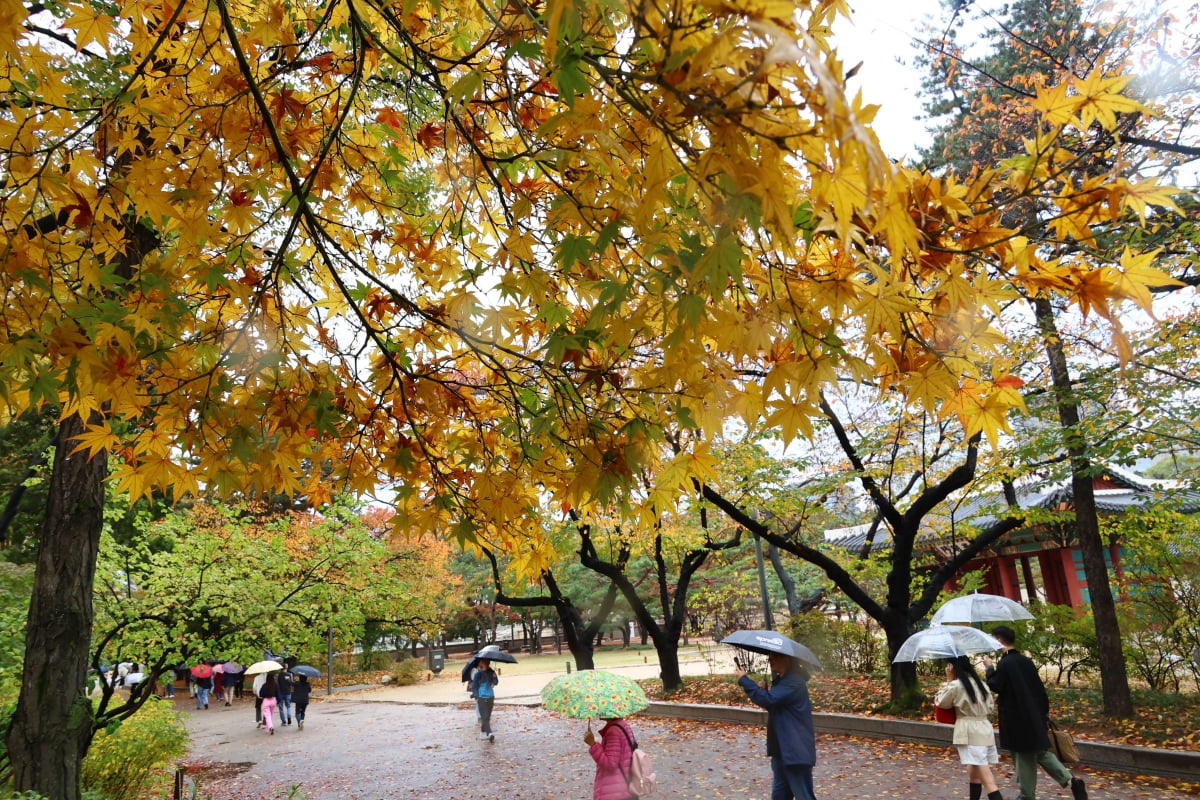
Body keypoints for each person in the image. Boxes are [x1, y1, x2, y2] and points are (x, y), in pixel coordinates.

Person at [985, 625, 1087, 800]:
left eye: (993, 639)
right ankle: (1071, 781)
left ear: (999, 640)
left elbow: (996, 685)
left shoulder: (1005, 663)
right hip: (1034, 715)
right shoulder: (1026, 661)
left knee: (1022, 757)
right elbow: (1039, 689)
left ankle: (1026, 795)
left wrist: (989, 668)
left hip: (1016, 719)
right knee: (1040, 753)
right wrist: (1042, 713)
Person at [736, 652, 817, 800]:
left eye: (774, 657)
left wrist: (744, 680)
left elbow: (770, 700)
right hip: (781, 751)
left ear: (786, 659)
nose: (770, 660)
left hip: (794, 751)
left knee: (804, 795)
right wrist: (765, 693)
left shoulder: (794, 681)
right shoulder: (782, 681)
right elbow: (776, 706)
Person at [936, 655, 1004, 800]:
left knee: (988, 779)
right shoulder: (981, 684)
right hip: (984, 728)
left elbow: (941, 702)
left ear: (952, 668)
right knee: (975, 772)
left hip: (969, 730)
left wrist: (948, 681)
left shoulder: (956, 685)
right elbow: (991, 707)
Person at [585, 717, 637, 800]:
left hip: (614, 792)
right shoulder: (623, 725)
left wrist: (593, 744)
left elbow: (610, 764)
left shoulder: (613, 731)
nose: (599, 711)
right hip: (624, 787)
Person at [468, 657, 498, 742]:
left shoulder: (491, 672)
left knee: (487, 717)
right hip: (481, 697)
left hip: (490, 696)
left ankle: (482, 733)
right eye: (485, 662)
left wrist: (494, 679)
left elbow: (496, 682)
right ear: (481, 664)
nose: (487, 664)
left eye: (488, 663)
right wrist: (477, 697)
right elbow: (474, 686)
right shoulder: (478, 674)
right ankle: (489, 733)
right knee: (484, 717)